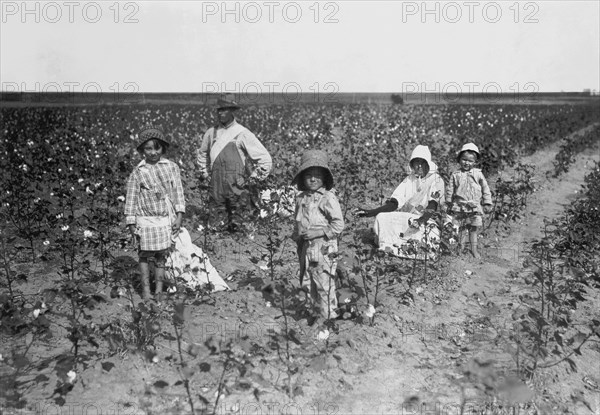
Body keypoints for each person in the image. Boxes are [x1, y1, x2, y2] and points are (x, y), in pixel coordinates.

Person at [125, 127, 185, 300]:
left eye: (157, 148)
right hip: (145, 220)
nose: (153, 152)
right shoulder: (138, 172)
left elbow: (178, 193)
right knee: (144, 255)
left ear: (163, 149)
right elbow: (131, 198)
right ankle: (146, 291)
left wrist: (179, 216)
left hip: (164, 219)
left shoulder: (172, 167)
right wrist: (131, 224)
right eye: (148, 149)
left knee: (161, 256)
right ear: (142, 150)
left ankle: (158, 290)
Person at [196, 96, 272, 231]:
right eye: (219, 110)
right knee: (216, 228)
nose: (220, 113)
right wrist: (204, 173)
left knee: (240, 227)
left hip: (237, 185)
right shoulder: (211, 133)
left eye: (224, 110)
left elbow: (264, 158)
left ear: (232, 111)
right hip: (216, 185)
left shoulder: (242, 133)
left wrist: (253, 179)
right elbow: (202, 154)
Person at [357, 145, 445, 258]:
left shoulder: (436, 179)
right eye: (416, 162)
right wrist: (370, 212)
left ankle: (404, 247)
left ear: (428, 163)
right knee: (381, 217)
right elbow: (395, 203)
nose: (419, 166)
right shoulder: (410, 179)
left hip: (427, 220)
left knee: (430, 235)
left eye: (422, 162)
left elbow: (433, 205)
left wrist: (421, 220)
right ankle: (390, 247)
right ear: (411, 164)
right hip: (409, 219)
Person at [291, 150, 345, 321]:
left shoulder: (328, 198)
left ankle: (328, 316)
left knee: (323, 281)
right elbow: (298, 220)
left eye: (317, 175)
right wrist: (297, 236)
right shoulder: (301, 198)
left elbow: (338, 225)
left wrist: (318, 231)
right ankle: (311, 313)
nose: (312, 179)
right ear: (302, 178)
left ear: (324, 178)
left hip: (324, 247)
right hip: (306, 247)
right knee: (306, 279)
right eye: (308, 175)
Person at [445, 142, 493, 258]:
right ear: (459, 159)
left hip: (474, 206)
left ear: (475, 162)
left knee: (473, 229)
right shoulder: (455, 175)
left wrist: (487, 202)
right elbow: (450, 189)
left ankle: (474, 250)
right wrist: (448, 202)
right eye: (464, 159)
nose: (467, 163)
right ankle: (460, 249)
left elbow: (485, 188)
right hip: (460, 205)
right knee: (461, 229)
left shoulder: (478, 174)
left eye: (470, 161)